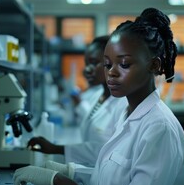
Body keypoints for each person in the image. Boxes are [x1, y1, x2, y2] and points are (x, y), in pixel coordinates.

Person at [13, 7, 184, 185]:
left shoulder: (159, 128)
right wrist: (70, 172)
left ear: (154, 65)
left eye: (124, 64)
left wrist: (58, 181)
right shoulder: (128, 114)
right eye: (107, 65)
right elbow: (113, 178)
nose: (112, 73)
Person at [28, 35, 128, 167]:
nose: (87, 69)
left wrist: (57, 149)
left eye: (94, 62)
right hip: (91, 174)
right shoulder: (97, 95)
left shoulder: (124, 104)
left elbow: (108, 151)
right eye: (86, 63)